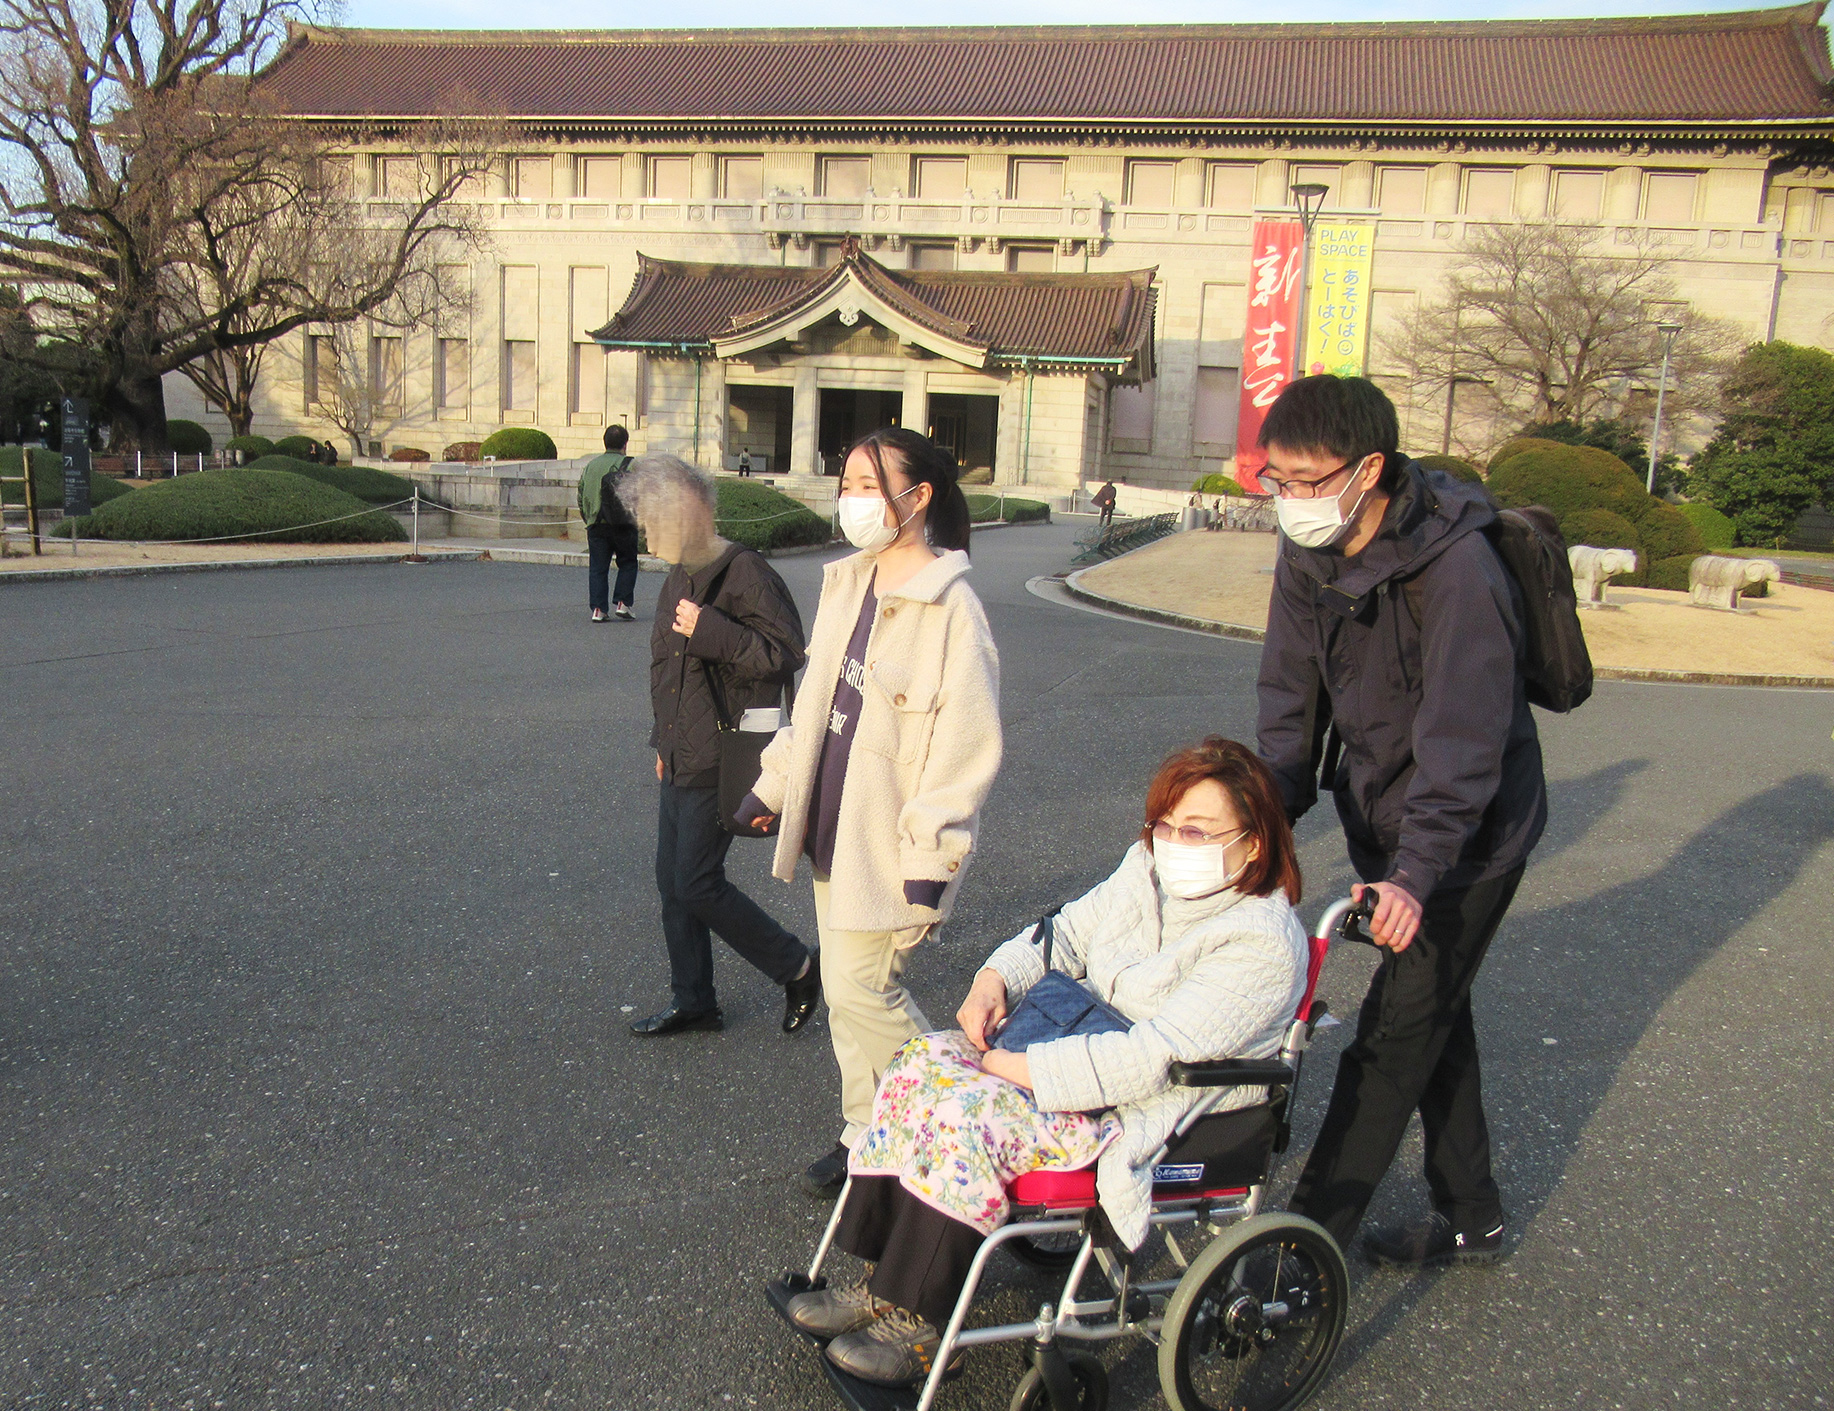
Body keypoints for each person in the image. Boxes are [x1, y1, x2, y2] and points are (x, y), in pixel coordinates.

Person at [783, 737, 1308, 1387]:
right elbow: (1066, 933)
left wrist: (1016, 1070)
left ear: (1254, 841)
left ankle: (924, 1324)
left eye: (1197, 830)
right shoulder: (1145, 868)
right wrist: (994, 981)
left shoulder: (1262, 942)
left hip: (1146, 1099)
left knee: (968, 1113)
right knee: (916, 1064)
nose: (1172, 842)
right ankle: (882, 1284)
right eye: (1164, 825)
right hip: (1069, 1039)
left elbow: (1152, 1058)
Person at [1253, 375, 1547, 1267]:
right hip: (1385, 817)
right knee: (1433, 1015)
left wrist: (1416, 872)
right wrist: (1259, 822)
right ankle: (1475, 1215)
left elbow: (1465, 741)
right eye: (1278, 480)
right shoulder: (1311, 553)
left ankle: (1297, 1256)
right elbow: (1289, 699)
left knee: (1387, 1039)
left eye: (1310, 480)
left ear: (1368, 468)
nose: (1292, 501)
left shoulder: (1459, 570)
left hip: (1469, 842)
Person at [741, 427, 1002, 1200]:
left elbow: (963, 754)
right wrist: (773, 786)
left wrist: (932, 862)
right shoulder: (850, 582)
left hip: (887, 848)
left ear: (915, 498)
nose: (849, 496)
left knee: (864, 993)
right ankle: (868, 1133)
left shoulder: (954, 613)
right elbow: (818, 702)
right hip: (833, 828)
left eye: (865, 483)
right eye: (846, 480)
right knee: (846, 999)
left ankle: (970, 1120)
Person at [622, 454, 822, 1037]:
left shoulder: (746, 572)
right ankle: (695, 1001)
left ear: (688, 513)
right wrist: (662, 738)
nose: (646, 531)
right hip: (682, 751)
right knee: (672, 882)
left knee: (696, 882)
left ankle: (799, 968)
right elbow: (666, 667)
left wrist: (712, 631)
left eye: (654, 518)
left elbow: (786, 654)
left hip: (724, 751)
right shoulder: (677, 574)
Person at [578, 425, 638, 622]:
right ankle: (623, 603)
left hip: (596, 522)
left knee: (598, 567)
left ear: (605, 442)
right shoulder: (631, 465)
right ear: (625, 444)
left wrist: (589, 518)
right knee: (628, 562)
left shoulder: (591, 466)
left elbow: (581, 494)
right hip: (623, 523)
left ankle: (598, 609)